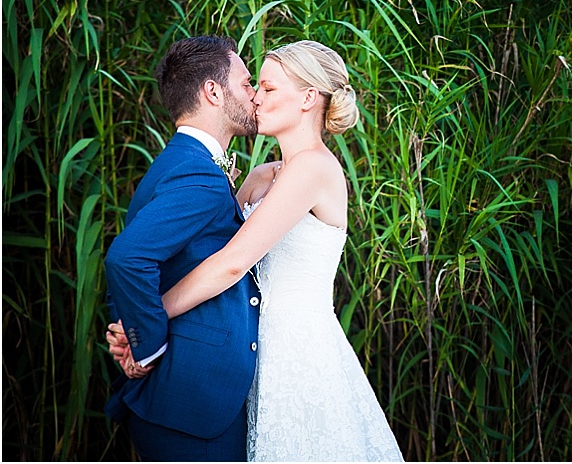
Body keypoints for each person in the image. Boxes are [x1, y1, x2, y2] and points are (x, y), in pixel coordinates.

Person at [160, 40, 403, 461]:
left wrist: (149, 313)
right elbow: (207, 248)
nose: (255, 97)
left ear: (309, 97)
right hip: (250, 347)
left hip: (299, 352)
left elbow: (232, 264)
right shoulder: (261, 175)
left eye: (269, 89)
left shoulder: (314, 168)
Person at [103, 35, 260, 461]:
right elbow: (127, 257)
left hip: (187, 400)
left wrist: (126, 325)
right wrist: (145, 342)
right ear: (213, 91)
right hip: (191, 402)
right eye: (247, 83)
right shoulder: (198, 175)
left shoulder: (179, 161)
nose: (255, 94)